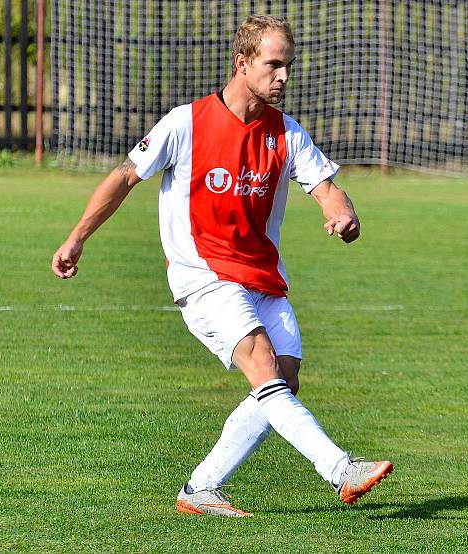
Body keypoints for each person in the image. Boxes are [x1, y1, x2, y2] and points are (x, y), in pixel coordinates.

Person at [51, 15, 392, 518]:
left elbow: (325, 188)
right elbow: (124, 178)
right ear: (243, 63)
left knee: (284, 380)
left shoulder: (286, 133)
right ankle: (341, 469)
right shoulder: (185, 123)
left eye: (287, 67)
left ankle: (201, 489)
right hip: (203, 276)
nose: (283, 77)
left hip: (262, 277)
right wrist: (77, 237)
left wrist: (343, 213)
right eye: (273, 65)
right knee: (263, 367)